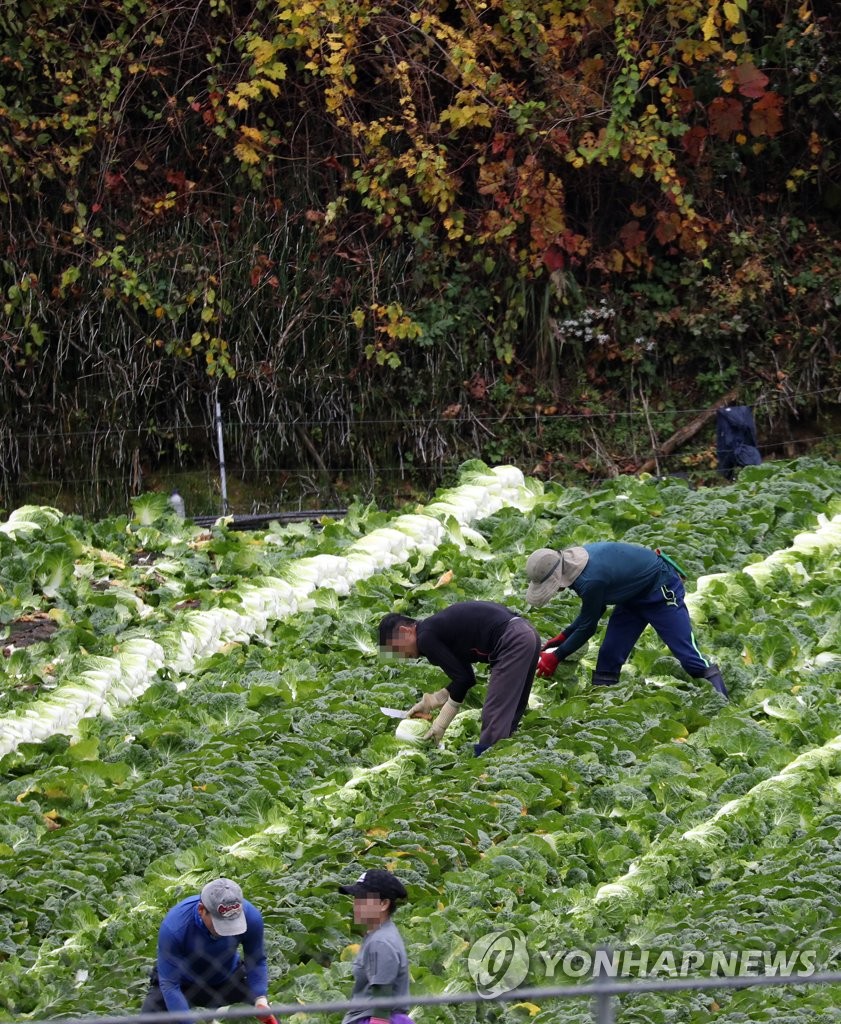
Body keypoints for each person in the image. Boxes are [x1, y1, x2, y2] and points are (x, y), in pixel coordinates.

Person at [524, 543, 728, 697]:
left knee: (687, 653)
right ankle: (603, 701)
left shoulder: (589, 580)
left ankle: (721, 699)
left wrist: (556, 656)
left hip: (660, 591)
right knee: (609, 654)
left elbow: (588, 627)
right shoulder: (573, 565)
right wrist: (561, 638)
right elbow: (592, 612)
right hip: (630, 597)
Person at [378, 601, 541, 756]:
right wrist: (432, 701)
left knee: (494, 715)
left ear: (406, 632)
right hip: (525, 632)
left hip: (512, 640)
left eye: (396, 648)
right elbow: (467, 677)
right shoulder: (433, 629)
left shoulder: (425, 638)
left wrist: (442, 722)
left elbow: (462, 679)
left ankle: (487, 769)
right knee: (510, 712)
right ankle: (506, 757)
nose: (402, 656)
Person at [141, 877, 278, 1024]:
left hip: (228, 978)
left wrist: (260, 998)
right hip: (182, 985)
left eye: (233, 923)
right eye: (220, 923)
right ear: (201, 910)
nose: (228, 931)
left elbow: (256, 961)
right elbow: (170, 985)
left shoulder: (251, 917)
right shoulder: (175, 927)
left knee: (271, 1019)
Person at [338, 869, 413, 1024]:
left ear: (383, 904)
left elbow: (382, 1002)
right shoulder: (380, 934)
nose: (355, 905)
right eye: (355, 898)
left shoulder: (381, 942)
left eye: (362, 899)